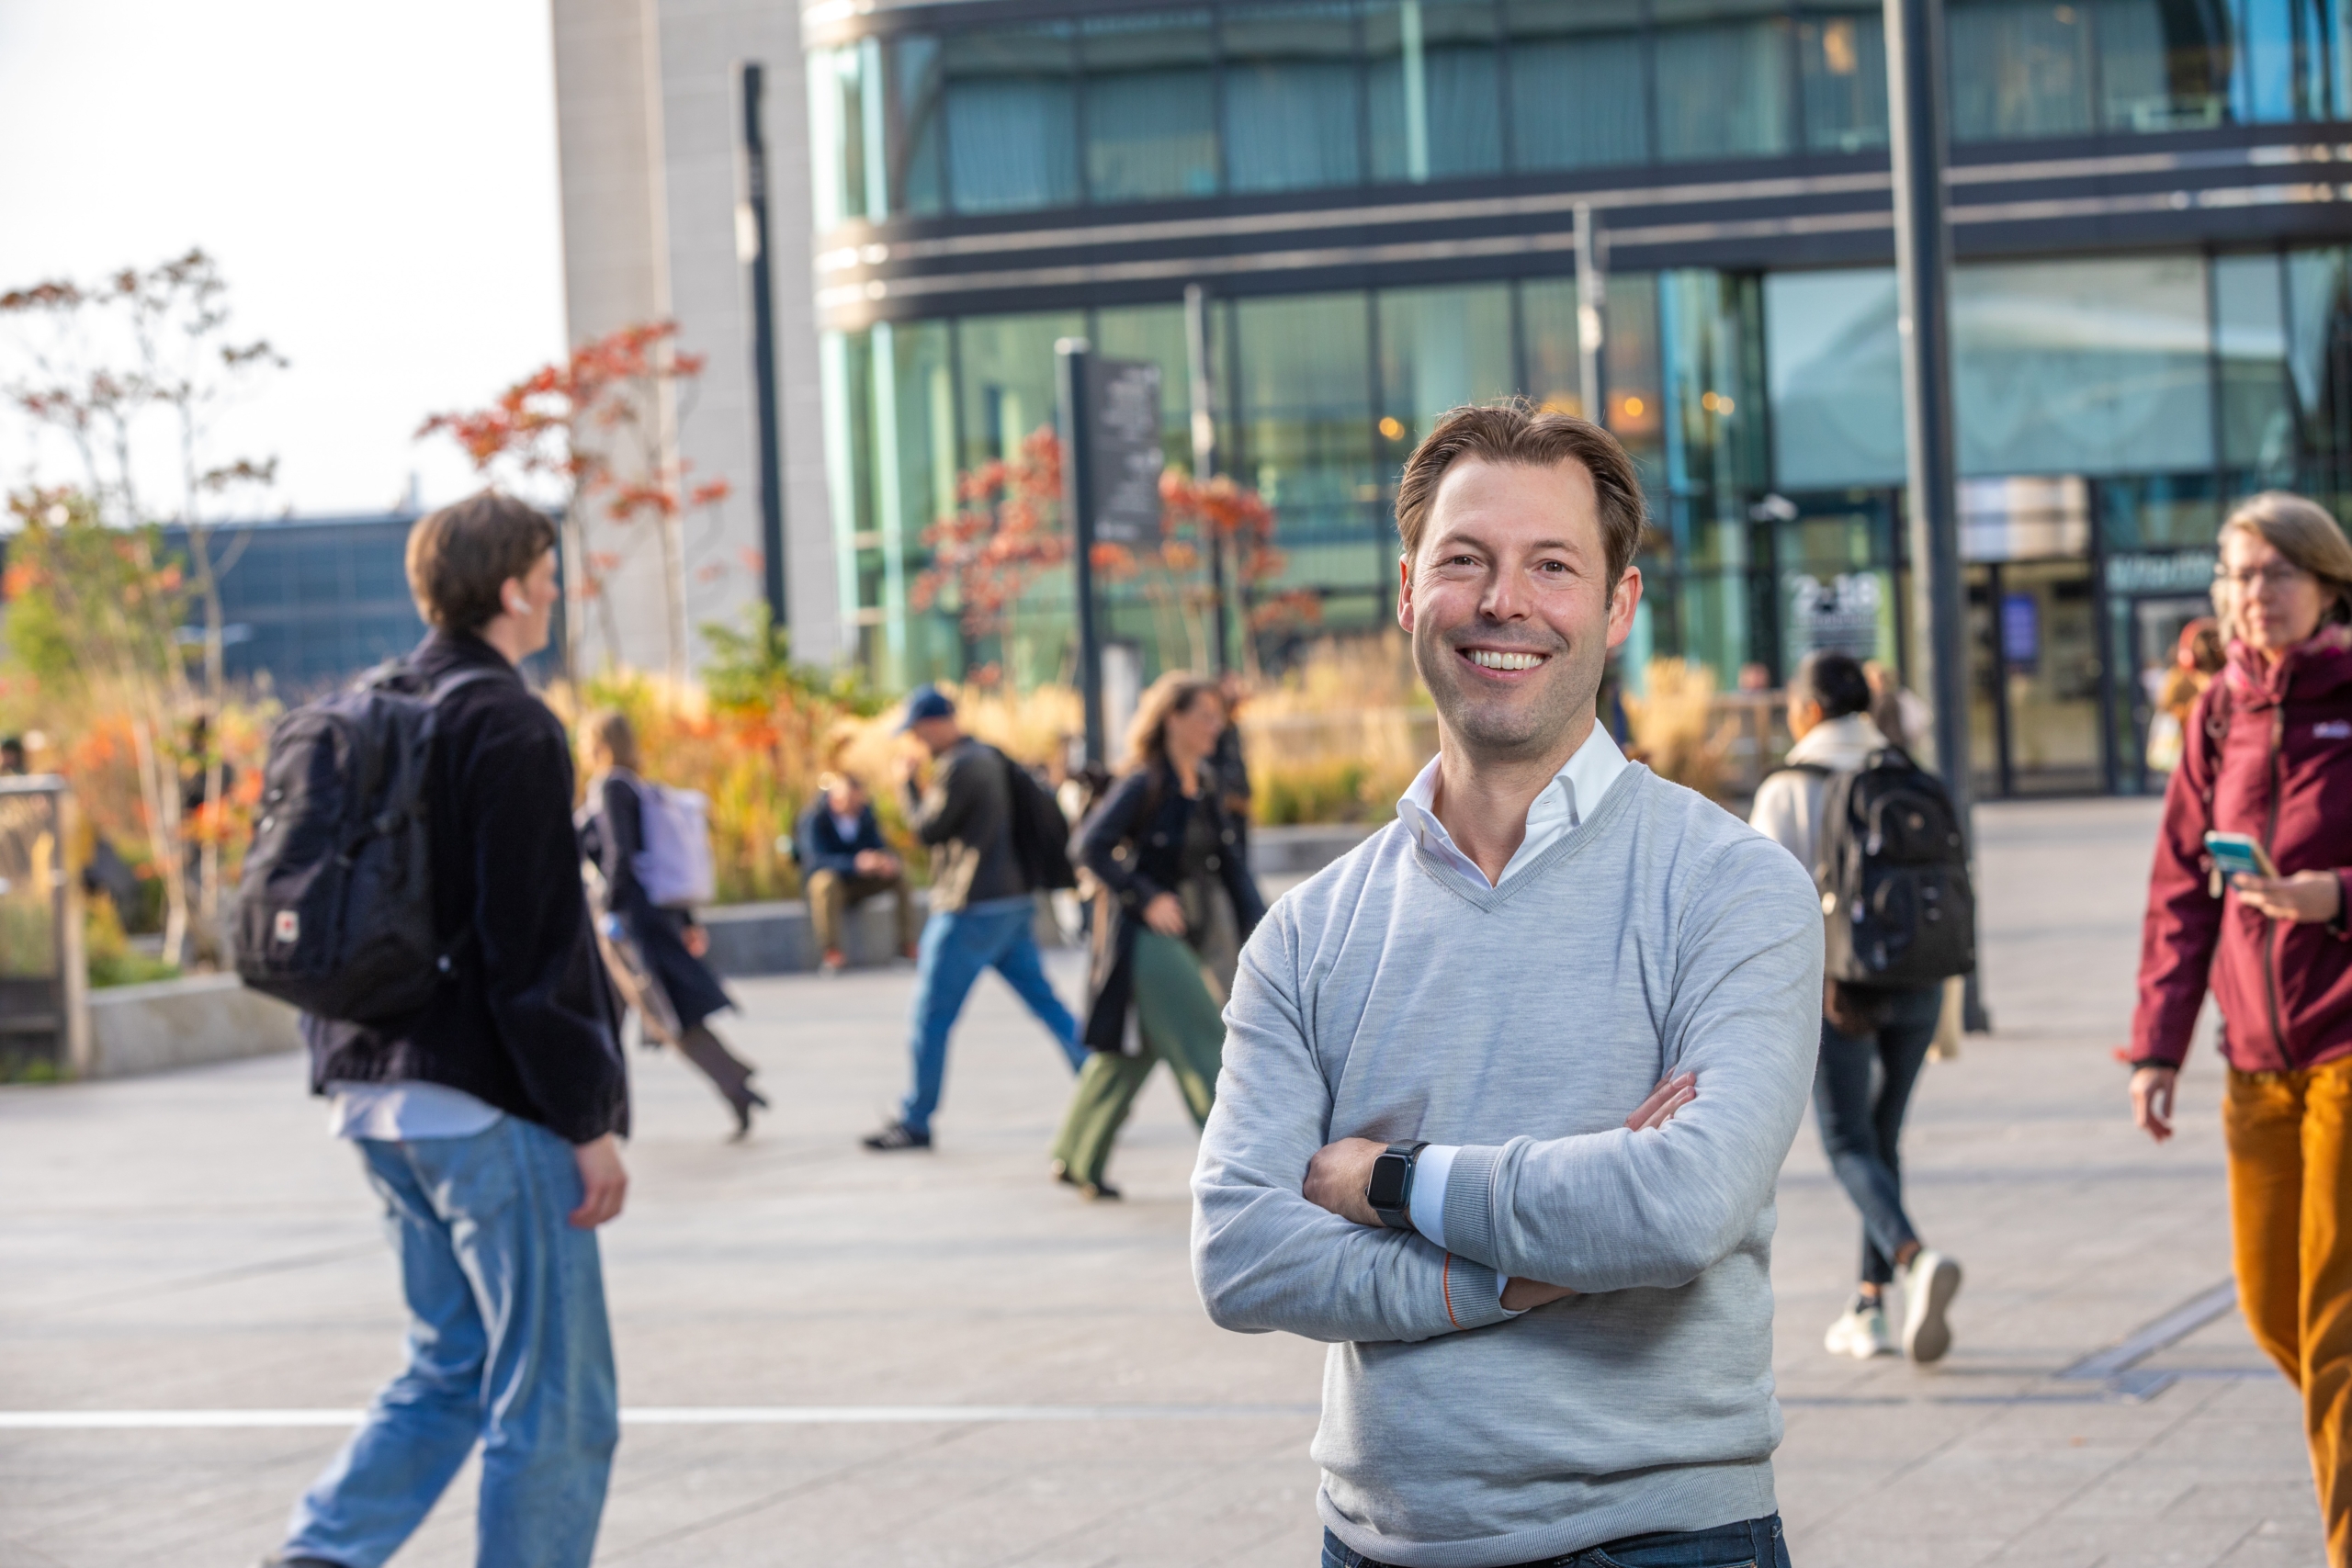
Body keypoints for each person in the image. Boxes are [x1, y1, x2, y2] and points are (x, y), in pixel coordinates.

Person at [1192, 402, 1820, 1568]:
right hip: (1380, 1545)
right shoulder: (1310, 932)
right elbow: (1242, 1253)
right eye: (1465, 562)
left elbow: (1680, 1208)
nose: (1503, 603)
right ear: (1406, 590)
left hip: (1662, 1541)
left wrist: (1388, 1179)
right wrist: (1524, 1276)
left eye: (1552, 566)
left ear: (1618, 605)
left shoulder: (1732, 888)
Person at [266, 492, 628, 1568]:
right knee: (556, 1400)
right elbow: (536, 949)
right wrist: (588, 1118)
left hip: (373, 1097)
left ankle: (321, 1555)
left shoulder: (369, 705)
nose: (557, 590)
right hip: (488, 1108)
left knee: (449, 1366)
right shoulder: (508, 723)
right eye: (548, 571)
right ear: (512, 588)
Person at [2131, 491, 2352, 1563]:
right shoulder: (2219, 712)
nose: (2249, 595)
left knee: (2336, 1325)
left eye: (2271, 574)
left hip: (2347, 1045)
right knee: (2273, 1309)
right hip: (2253, 1061)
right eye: (2233, 575)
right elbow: (2179, 889)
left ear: (2323, 583)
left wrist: (2334, 898)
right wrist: (2156, 1046)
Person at [1750, 649, 1963, 1364]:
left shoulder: (1787, 786)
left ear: (1809, 709)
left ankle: (1912, 1257)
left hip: (1839, 992)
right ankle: (1870, 1306)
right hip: (1921, 982)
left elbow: (1766, 908)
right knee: (1883, 1137)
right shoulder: (1907, 771)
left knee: (1847, 1143)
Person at [1051, 674, 1265, 1201]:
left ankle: (1077, 1157)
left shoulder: (1206, 782)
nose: (1216, 727)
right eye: (1205, 717)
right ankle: (1239, 1174)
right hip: (1145, 942)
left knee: (1130, 1056)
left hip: (1187, 935)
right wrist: (1145, 895)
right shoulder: (1142, 782)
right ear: (1174, 718)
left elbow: (1232, 868)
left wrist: (1267, 934)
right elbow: (1088, 848)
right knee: (1204, 1045)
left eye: (1219, 718)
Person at [862, 683, 1086, 1151]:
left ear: (939, 723)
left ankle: (916, 1119)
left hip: (972, 905)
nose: (917, 741)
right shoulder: (990, 756)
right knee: (1045, 1002)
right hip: (1012, 900)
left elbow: (927, 829)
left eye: (920, 730)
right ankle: (1099, 1090)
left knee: (930, 1016)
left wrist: (906, 782)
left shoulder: (961, 767)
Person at [580, 709, 766, 1139]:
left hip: (626, 922)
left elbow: (620, 856)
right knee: (636, 1015)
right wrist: (684, 918)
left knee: (654, 1014)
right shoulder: (638, 787)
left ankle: (728, 1079)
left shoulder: (610, 787)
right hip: (647, 914)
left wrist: (609, 910)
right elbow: (657, 860)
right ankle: (731, 1077)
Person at [796, 771, 915, 973]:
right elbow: (813, 861)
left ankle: (907, 946)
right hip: (835, 885)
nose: (855, 807)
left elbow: (878, 844)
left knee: (899, 878)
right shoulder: (814, 817)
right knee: (824, 882)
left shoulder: (864, 814)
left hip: (861, 882)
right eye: (850, 802)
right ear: (835, 798)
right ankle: (832, 952)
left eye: (858, 801)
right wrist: (854, 864)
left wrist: (884, 860)